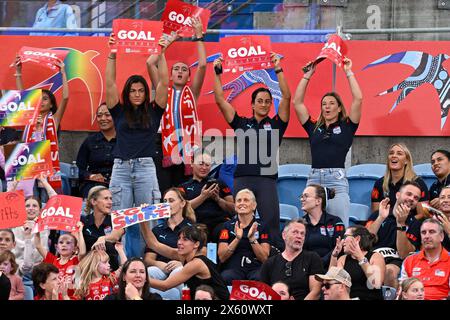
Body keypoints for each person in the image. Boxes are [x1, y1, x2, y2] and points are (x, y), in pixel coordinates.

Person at [213, 53, 291, 249]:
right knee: (241, 221)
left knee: (271, 225)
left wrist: (278, 69)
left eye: (267, 101)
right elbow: (220, 101)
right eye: (260, 101)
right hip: (243, 179)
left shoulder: (276, 125)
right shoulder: (241, 123)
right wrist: (217, 74)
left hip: (267, 180)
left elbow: (287, 97)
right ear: (252, 104)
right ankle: (240, 256)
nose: (264, 104)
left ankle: (273, 262)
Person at [106, 33, 169, 258]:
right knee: (118, 222)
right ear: (127, 93)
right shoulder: (118, 110)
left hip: (145, 169)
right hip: (121, 169)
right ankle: (120, 267)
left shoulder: (155, 110)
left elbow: (164, 83)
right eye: (133, 90)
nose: (137, 94)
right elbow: (110, 83)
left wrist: (161, 54)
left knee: (148, 222)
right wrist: (112, 54)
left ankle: (144, 267)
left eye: (141, 90)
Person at [293, 58, 362, 227]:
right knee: (308, 226)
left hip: (336, 182)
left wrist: (348, 71)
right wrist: (307, 76)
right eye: (324, 104)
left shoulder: (348, 126)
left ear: (339, 108)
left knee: (339, 226)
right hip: (314, 180)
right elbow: (297, 103)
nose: (327, 107)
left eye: (331, 103)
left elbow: (358, 99)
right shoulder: (314, 127)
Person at [147, 17, 207, 192]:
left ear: (189, 77)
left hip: (187, 149)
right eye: (176, 69)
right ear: (170, 75)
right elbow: (151, 62)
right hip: (163, 146)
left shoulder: (192, 93)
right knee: (164, 192)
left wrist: (198, 36)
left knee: (183, 194)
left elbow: (202, 65)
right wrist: (168, 42)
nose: (180, 71)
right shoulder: (162, 89)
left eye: (184, 69)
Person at [14, 55, 69, 199]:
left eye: (45, 99)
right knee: (29, 203)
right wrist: (18, 72)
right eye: (39, 98)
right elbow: (22, 95)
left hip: (48, 170)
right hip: (28, 167)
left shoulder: (54, 119)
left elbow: (65, 97)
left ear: (51, 104)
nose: (41, 101)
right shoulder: (28, 117)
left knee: (48, 202)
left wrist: (63, 73)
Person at [141, 224, 230, 300]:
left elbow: (165, 286)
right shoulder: (183, 255)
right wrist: (143, 221)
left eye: (185, 239)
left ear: (196, 244)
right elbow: (153, 244)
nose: (179, 242)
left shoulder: (197, 263)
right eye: (179, 238)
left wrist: (140, 279)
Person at [366, 181, 424, 286]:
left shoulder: (416, 224)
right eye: (409, 194)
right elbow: (365, 240)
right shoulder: (379, 214)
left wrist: (400, 224)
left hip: (395, 261)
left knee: (389, 271)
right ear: (397, 195)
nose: (412, 199)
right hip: (372, 257)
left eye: (416, 198)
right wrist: (380, 218)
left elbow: (404, 254)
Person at [145, 187, 195, 300]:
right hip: (161, 269)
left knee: (178, 272)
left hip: (183, 268)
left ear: (182, 203)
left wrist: (182, 264)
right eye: (165, 201)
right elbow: (148, 259)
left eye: (171, 201)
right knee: (150, 271)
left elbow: (200, 255)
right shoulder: (157, 229)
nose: (167, 204)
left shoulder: (193, 228)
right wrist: (160, 264)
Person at [260, 218, 323, 300]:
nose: (299, 236)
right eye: (295, 232)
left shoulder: (312, 258)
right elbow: (263, 295)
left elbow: (316, 292)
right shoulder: (269, 263)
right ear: (284, 235)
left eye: (302, 234)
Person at [217, 188, 271, 285]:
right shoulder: (227, 226)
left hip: (255, 269)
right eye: (239, 200)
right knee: (226, 277)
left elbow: (264, 258)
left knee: (260, 278)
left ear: (254, 205)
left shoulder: (262, 226)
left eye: (246, 200)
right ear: (235, 206)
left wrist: (252, 240)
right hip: (233, 269)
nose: (242, 203)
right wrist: (237, 239)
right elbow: (222, 257)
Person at [179, 151, 235, 242]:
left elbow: (234, 209)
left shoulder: (219, 183)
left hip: (219, 223)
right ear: (192, 163)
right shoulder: (183, 187)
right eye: (201, 164)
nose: (204, 168)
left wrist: (218, 200)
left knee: (226, 230)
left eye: (207, 165)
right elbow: (181, 209)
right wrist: (203, 196)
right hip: (195, 225)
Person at [12, 174, 55, 278]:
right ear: (22, 209)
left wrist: (44, 182)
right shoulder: (15, 222)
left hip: (41, 271)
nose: (31, 208)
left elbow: (56, 200)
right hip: (17, 270)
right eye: (27, 206)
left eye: (35, 206)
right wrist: (14, 186)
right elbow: (5, 203)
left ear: (41, 210)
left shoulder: (44, 222)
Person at [330, 225, 385, 300]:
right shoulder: (343, 259)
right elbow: (332, 281)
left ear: (357, 239)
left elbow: (376, 283)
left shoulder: (376, 256)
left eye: (345, 237)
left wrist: (360, 257)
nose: (343, 241)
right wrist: (334, 256)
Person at [400, 218, 450, 300]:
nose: (427, 236)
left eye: (432, 232)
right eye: (423, 232)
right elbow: (403, 292)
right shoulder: (409, 261)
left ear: (441, 236)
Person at [371, 143, 429, 212]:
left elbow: (423, 214)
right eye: (391, 153)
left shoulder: (419, 183)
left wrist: (402, 221)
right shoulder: (379, 183)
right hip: (385, 221)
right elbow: (375, 213)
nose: (394, 156)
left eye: (399, 154)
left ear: (406, 161)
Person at [34, 222, 86, 298]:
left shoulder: (75, 260)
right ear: (57, 247)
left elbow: (83, 252)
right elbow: (38, 245)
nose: (64, 245)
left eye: (68, 243)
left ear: (75, 248)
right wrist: (37, 228)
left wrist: (80, 232)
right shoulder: (52, 260)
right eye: (61, 242)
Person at [76, 103, 116, 198]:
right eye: (99, 116)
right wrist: (91, 176)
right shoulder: (90, 141)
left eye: (107, 115)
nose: (103, 118)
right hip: (93, 185)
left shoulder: (124, 141)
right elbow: (78, 169)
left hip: (118, 185)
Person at [300, 185, 345, 267]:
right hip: (304, 267)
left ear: (318, 201)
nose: (302, 199)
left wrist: (320, 263)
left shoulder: (335, 222)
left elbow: (338, 248)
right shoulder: (299, 224)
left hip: (330, 266)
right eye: (302, 196)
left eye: (306, 196)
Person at [81, 186, 124, 270]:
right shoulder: (83, 221)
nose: (110, 202)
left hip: (111, 271)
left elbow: (115, 236)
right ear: (93, 201)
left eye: (111, 199)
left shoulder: (117, 219)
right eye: (106, 198)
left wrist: (103, 238)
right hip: (88, 270)